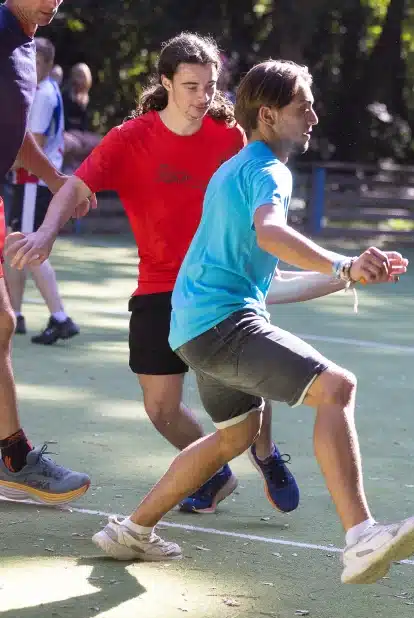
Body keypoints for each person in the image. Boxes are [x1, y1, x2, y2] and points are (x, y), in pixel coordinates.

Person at [81, 59, 414, 583]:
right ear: (268, 115)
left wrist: (348, 276)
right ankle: (362, 537)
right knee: (337, 387)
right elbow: (270, 233)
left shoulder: (236, 169)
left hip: (194, 328)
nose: (314, 116)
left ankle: (132, 530)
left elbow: (264, 283)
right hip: (222, 327)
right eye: (303, 106)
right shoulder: (269, 170)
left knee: (235, 435)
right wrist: (341, 262)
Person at [6, 32, 300, 513]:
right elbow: (76, 187)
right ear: (165, 83)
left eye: (209, 86)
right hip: (159, 286)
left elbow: (260, 195)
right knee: (160, 409)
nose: (203, 98)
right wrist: (45, 234)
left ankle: (264, 452)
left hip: (220, 285)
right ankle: (213, 471)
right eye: (190, 86)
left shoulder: (230, 139)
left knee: (248, 380)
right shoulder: (130, 139)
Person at [0, 0, 92, 505]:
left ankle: (11, 456)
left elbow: (13, 139)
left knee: (3, 323)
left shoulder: (23, 45)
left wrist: (59, 180)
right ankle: (12, 455)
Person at [4, 36, 79, 344]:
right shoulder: (41, 90)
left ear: (48, 64)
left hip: (34, 180)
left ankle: (60, 317)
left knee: (30, 247)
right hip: (29, 180)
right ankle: (16, 313)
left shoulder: (44, 94)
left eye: (36, 62)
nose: (29, 66)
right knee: (15, 243)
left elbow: (31, 140)